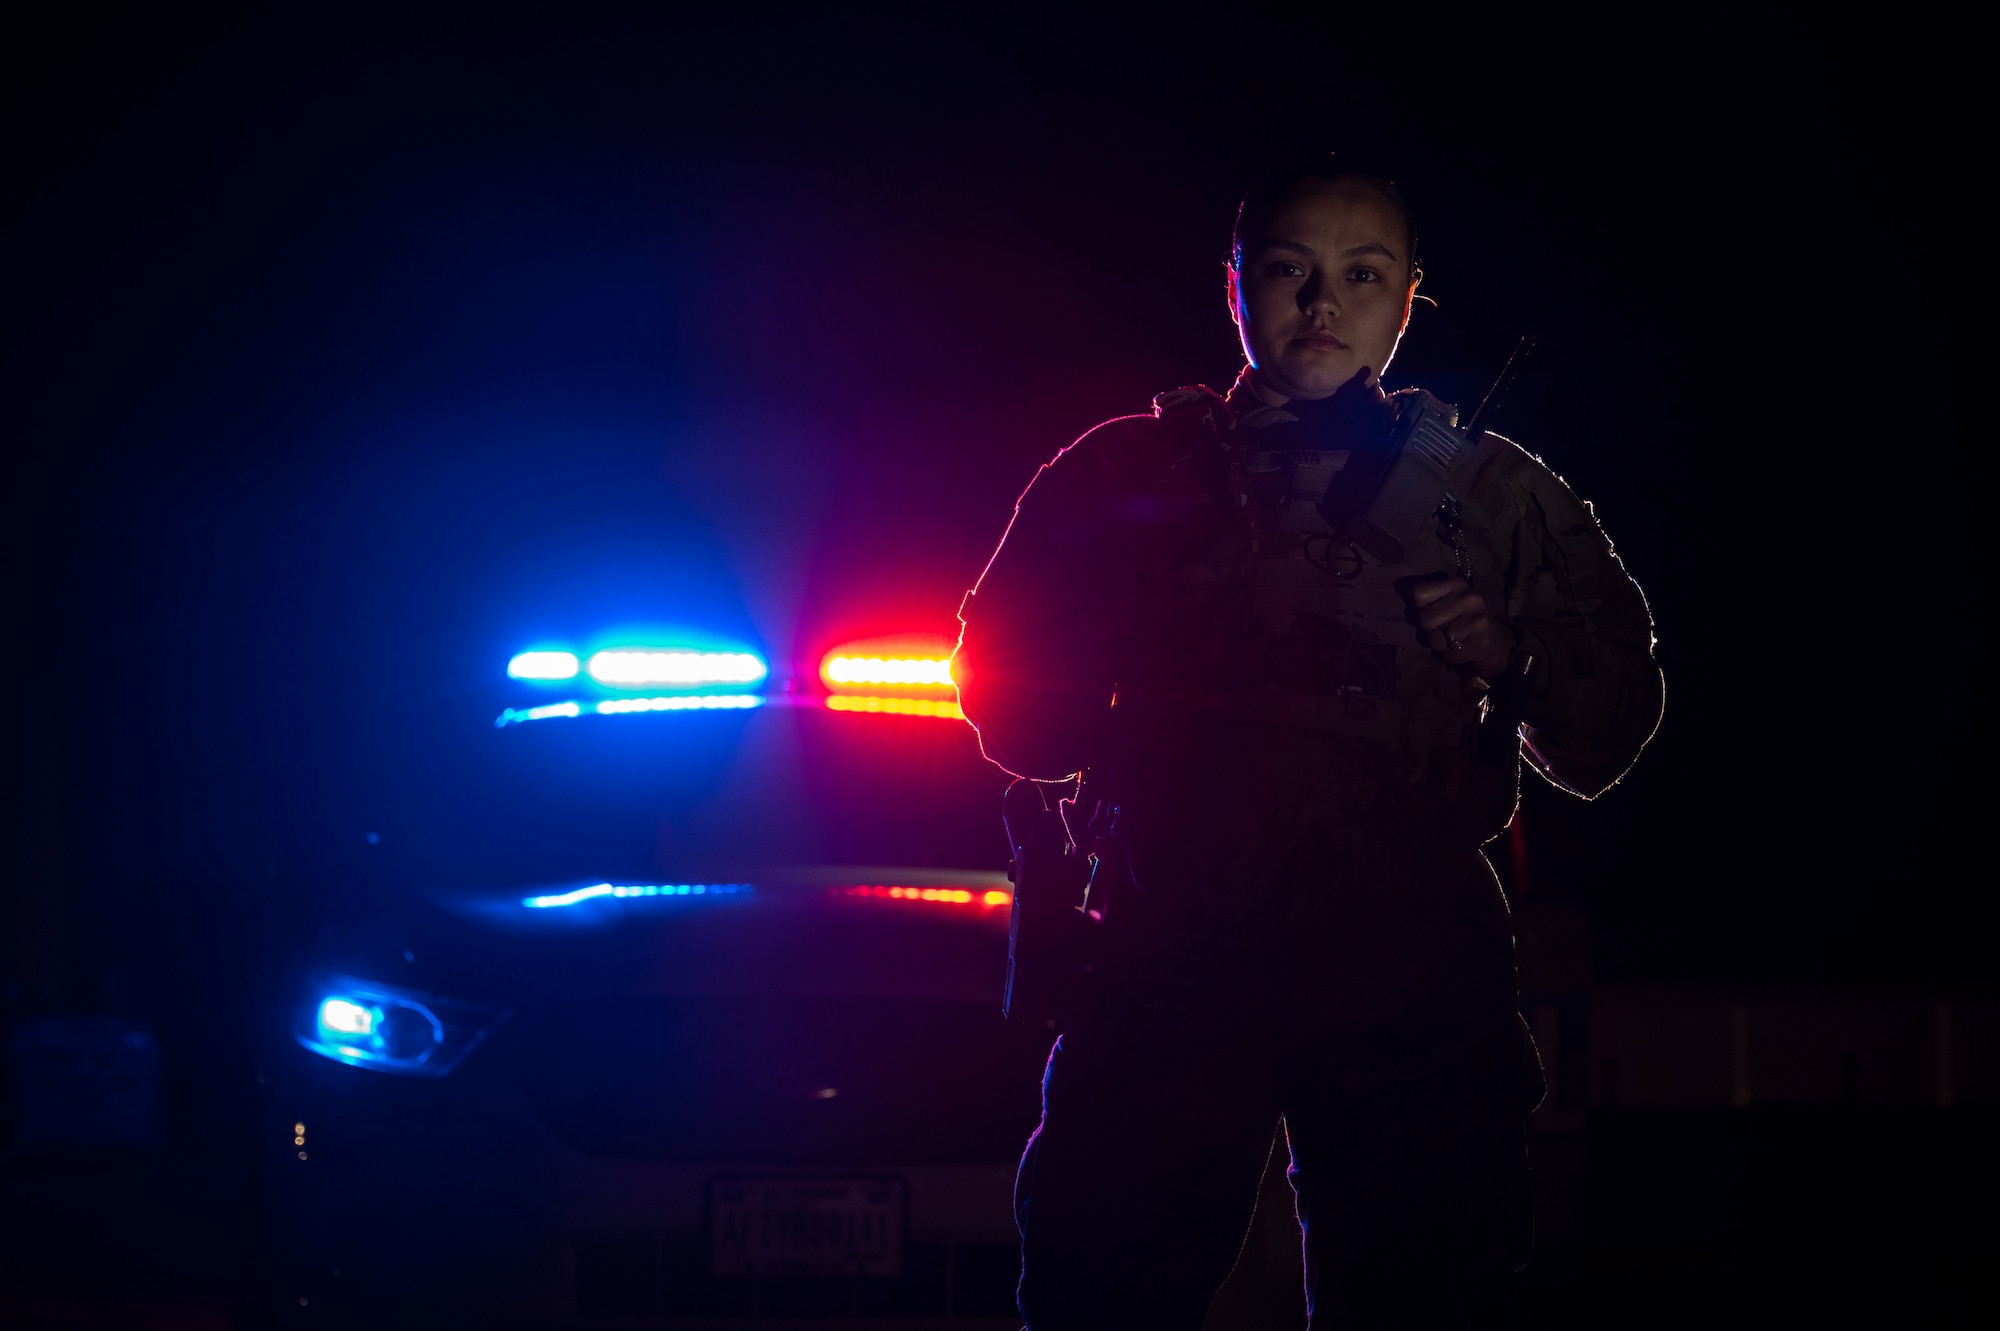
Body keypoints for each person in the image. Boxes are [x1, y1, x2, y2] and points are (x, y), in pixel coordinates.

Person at [951, 157, 1663, 1328]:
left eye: (1360, 275)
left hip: (1407, 973)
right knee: (1103, 1290)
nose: (1321, 305)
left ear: (1407, 297)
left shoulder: (1491, 496)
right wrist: (1122, 647)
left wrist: (1512, 654)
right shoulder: (1128, 472)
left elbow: (1609, 727)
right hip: (1170, 958)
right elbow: (1013, 706)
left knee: (1424, 1287)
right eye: (1288, 271)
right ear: (1234, 286)